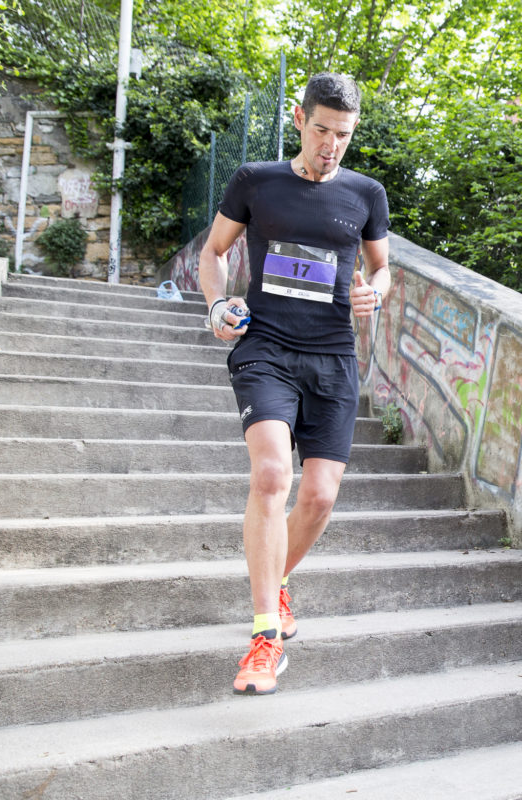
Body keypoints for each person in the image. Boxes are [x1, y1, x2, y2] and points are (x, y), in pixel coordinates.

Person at [199, 72, 390, 695]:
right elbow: (214, 252)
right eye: (321, 130)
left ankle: (276, 581)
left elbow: (382, 268)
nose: (331, 144)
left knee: (319, 497)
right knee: (273, 476)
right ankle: (265, 637)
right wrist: (216, 304)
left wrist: (374, 293)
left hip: (334, 356)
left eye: (343, 135)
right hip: (266, 348)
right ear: (300, 121)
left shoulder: (366, 194)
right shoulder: (257, 181)